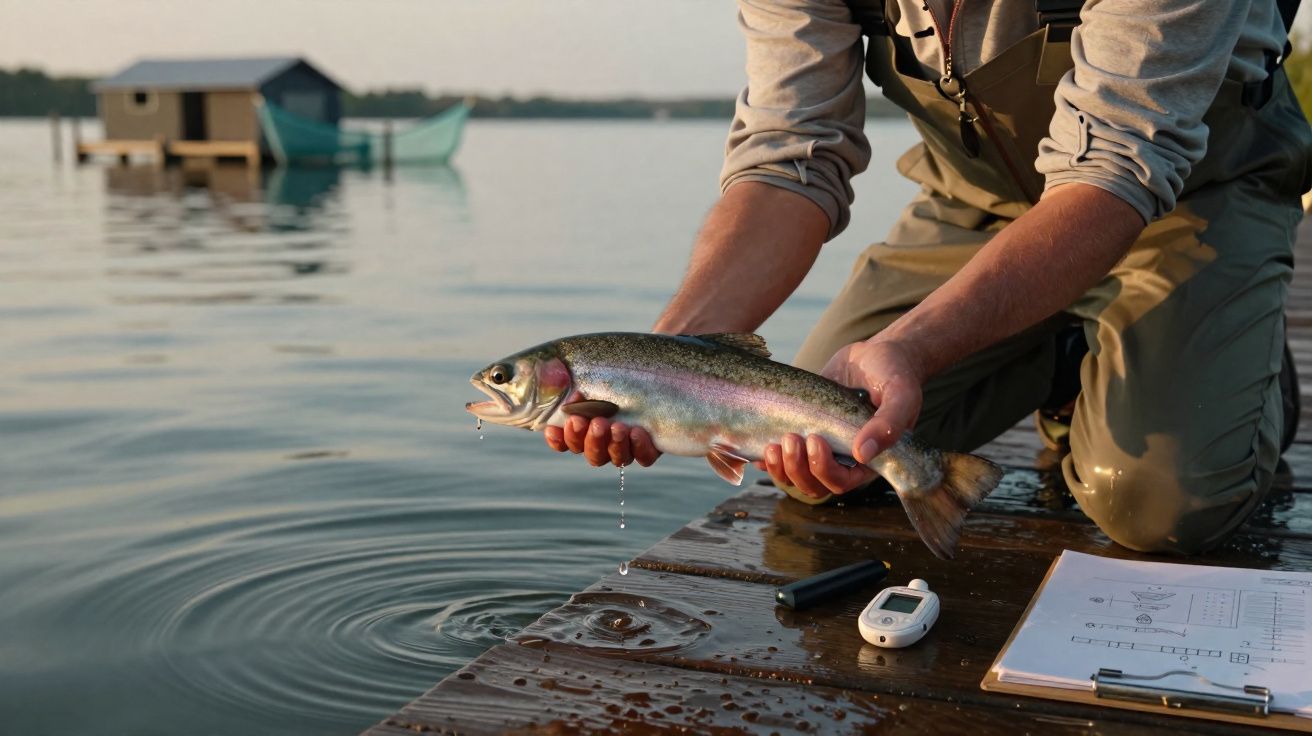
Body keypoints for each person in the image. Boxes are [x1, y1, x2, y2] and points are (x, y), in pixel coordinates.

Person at [546, 0, 1312, 554]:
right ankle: (1059, 359)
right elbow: (789, 158)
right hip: (974, 204)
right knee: (817, 458)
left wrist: (912, 347)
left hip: (1187, 198)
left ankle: (1249, 378)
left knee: (1154, 505)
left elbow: (1117, 165)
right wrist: (660, 364)